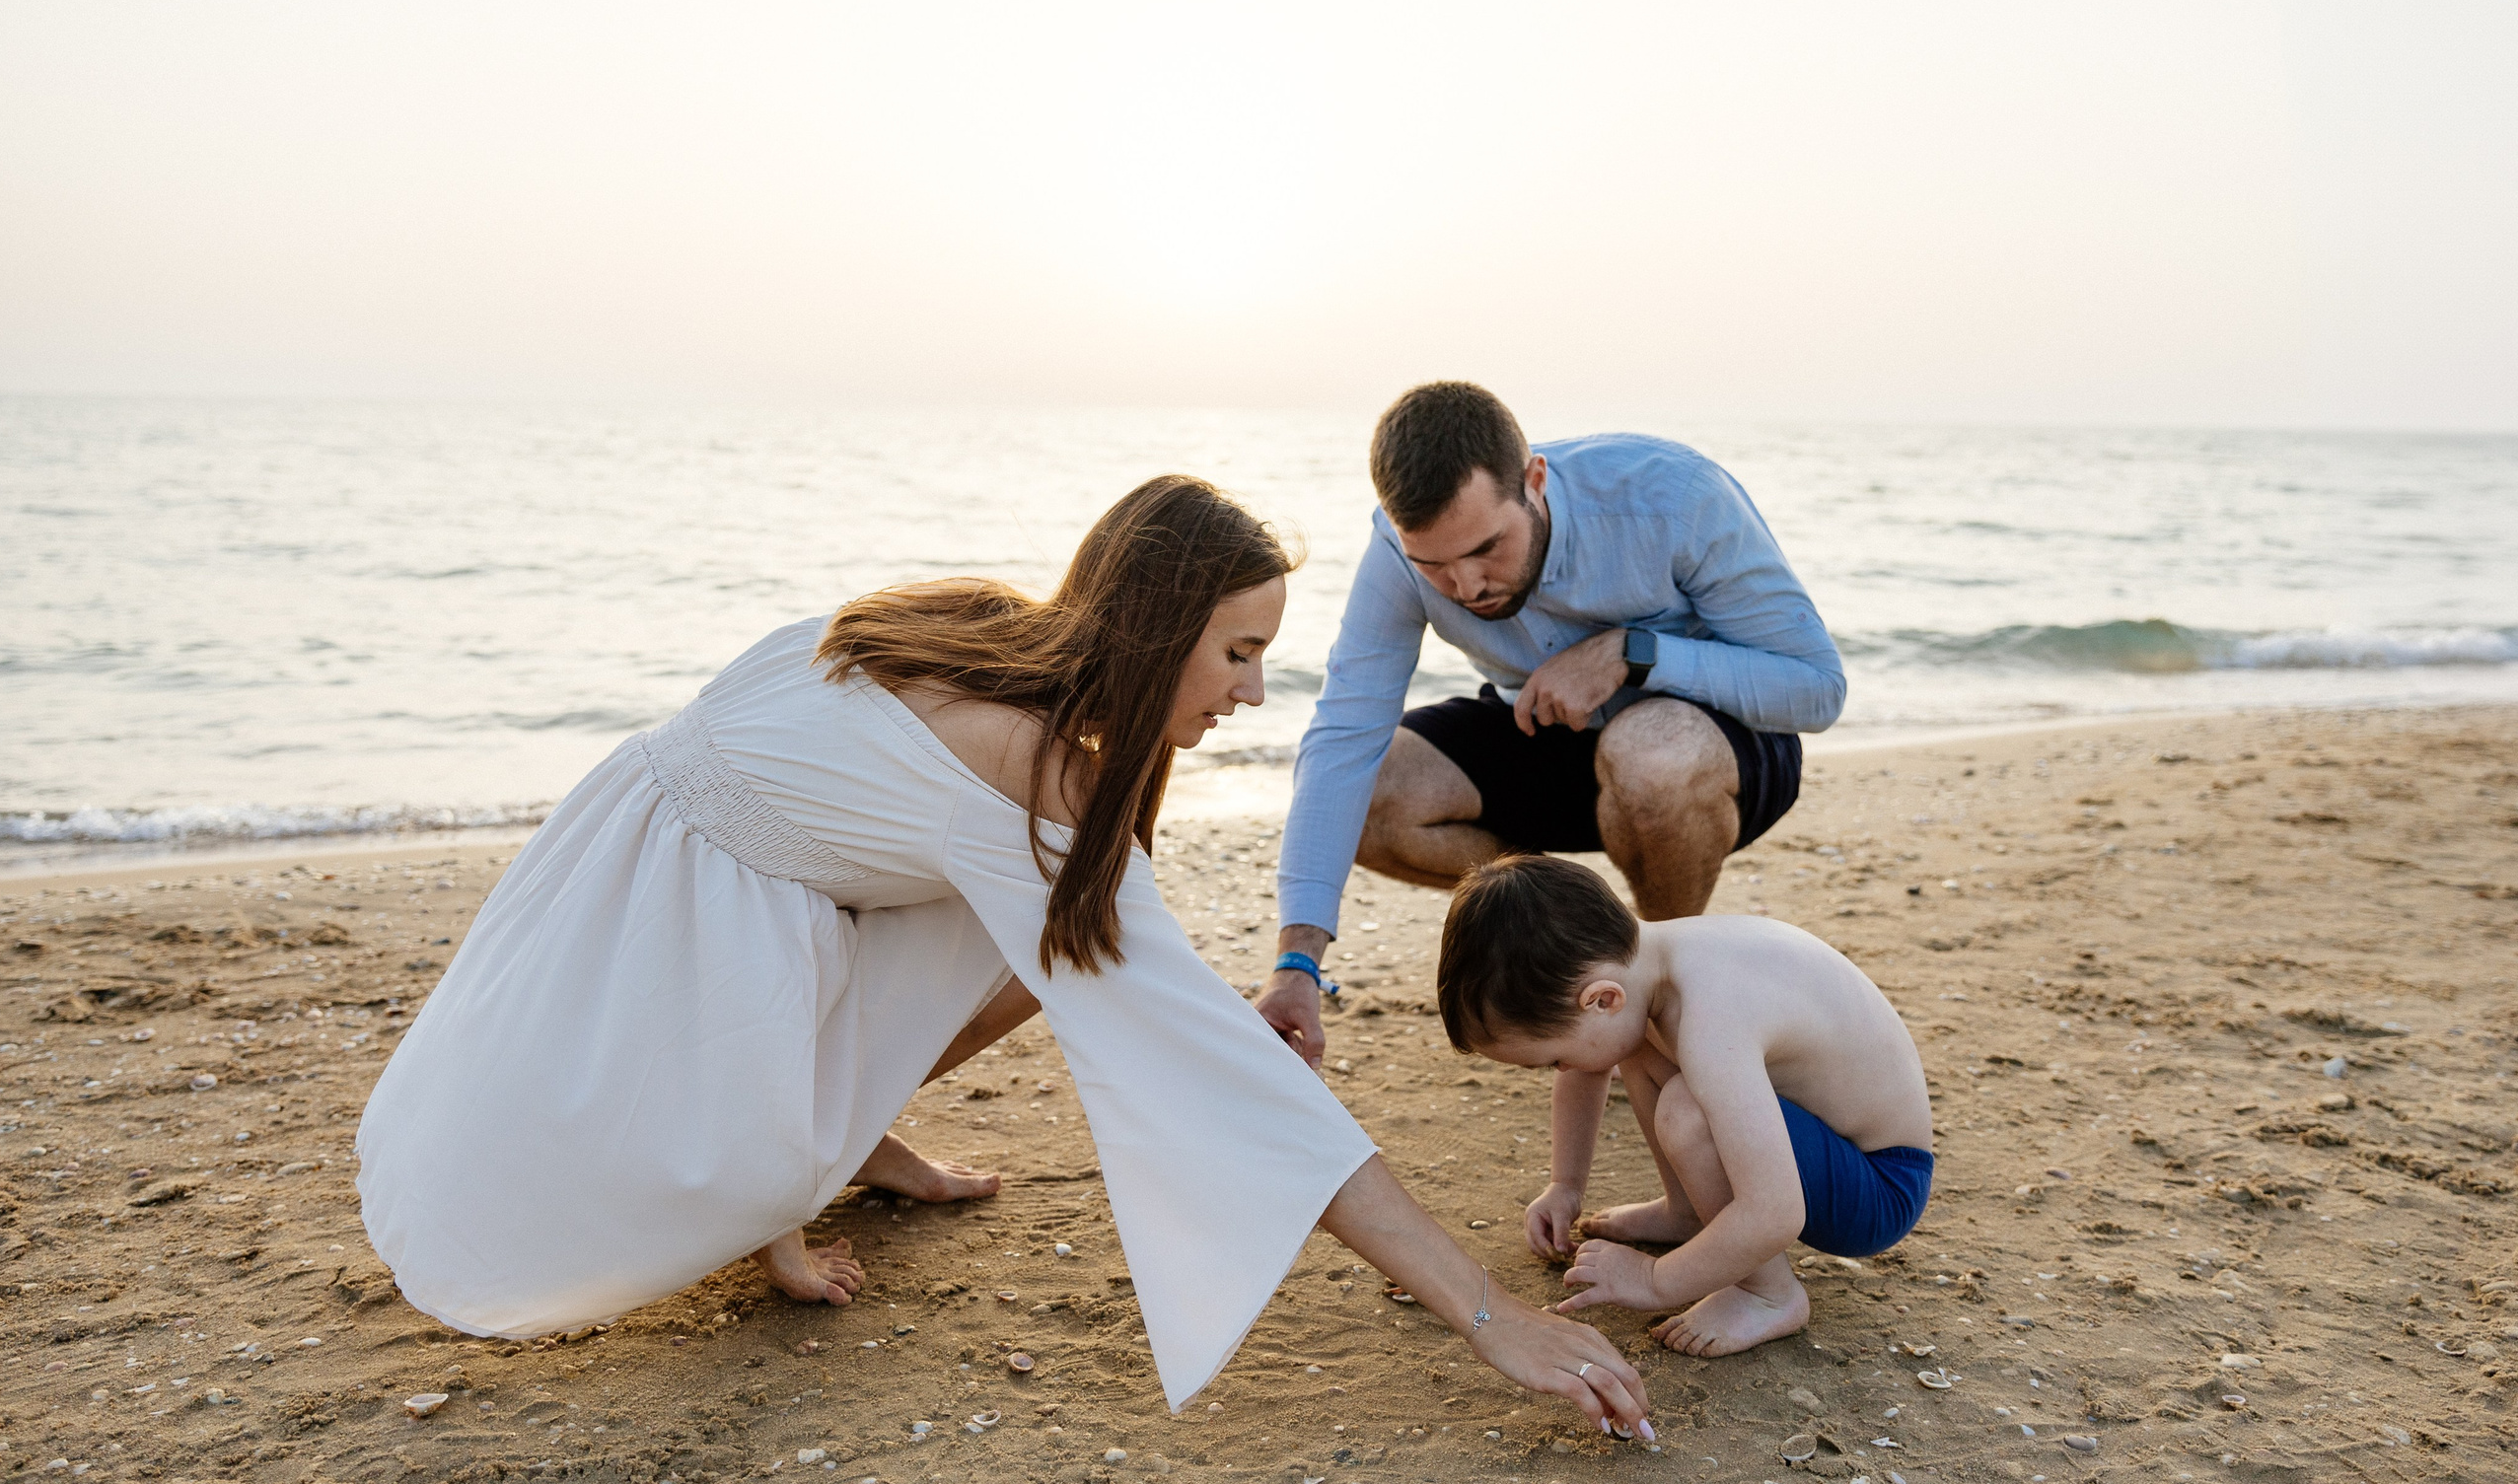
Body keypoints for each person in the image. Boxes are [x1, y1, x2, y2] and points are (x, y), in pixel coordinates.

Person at [357, 476, 1649, 1430]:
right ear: (1158, 631)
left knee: (1057, 942)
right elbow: (1240, 1089)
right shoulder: (1038, 781)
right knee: (738, 1171)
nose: (1254, 690)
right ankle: (807, 1156)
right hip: (683, 906)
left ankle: (849, 1132)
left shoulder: (983, 624)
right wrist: (1493, 1316)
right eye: (1238, 651)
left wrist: (1248, 989)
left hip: (643, 825)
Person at [1259, 382, 1844, 1096]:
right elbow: (1343, 737)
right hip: (1544, 728)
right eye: (1433, 565)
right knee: (1373, 794)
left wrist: (1633, 653)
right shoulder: (1396, 548)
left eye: (1487, 548)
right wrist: (1297, 962)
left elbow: (1816, 688)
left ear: (1534, 481)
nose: (1466, 586)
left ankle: (1662, 988)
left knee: (1650, 756)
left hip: (1710, 746)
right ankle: (1589, 936)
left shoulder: (1674, 496)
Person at [1435, 854, 1932, 1357]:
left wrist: (1654, 1280)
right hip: (1823, 1140)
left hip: (1880, 1185)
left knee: (1686, 1111)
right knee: (1627, 1043)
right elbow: (1590, 1064)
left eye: (1553, 1060)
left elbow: (1776, 1213)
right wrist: (1565, 1184)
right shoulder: (1647, 965)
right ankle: (1688, 1213)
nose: (1562, 1071)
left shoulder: (1711, 1017)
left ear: (1602, 999)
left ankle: (1768, 1294)